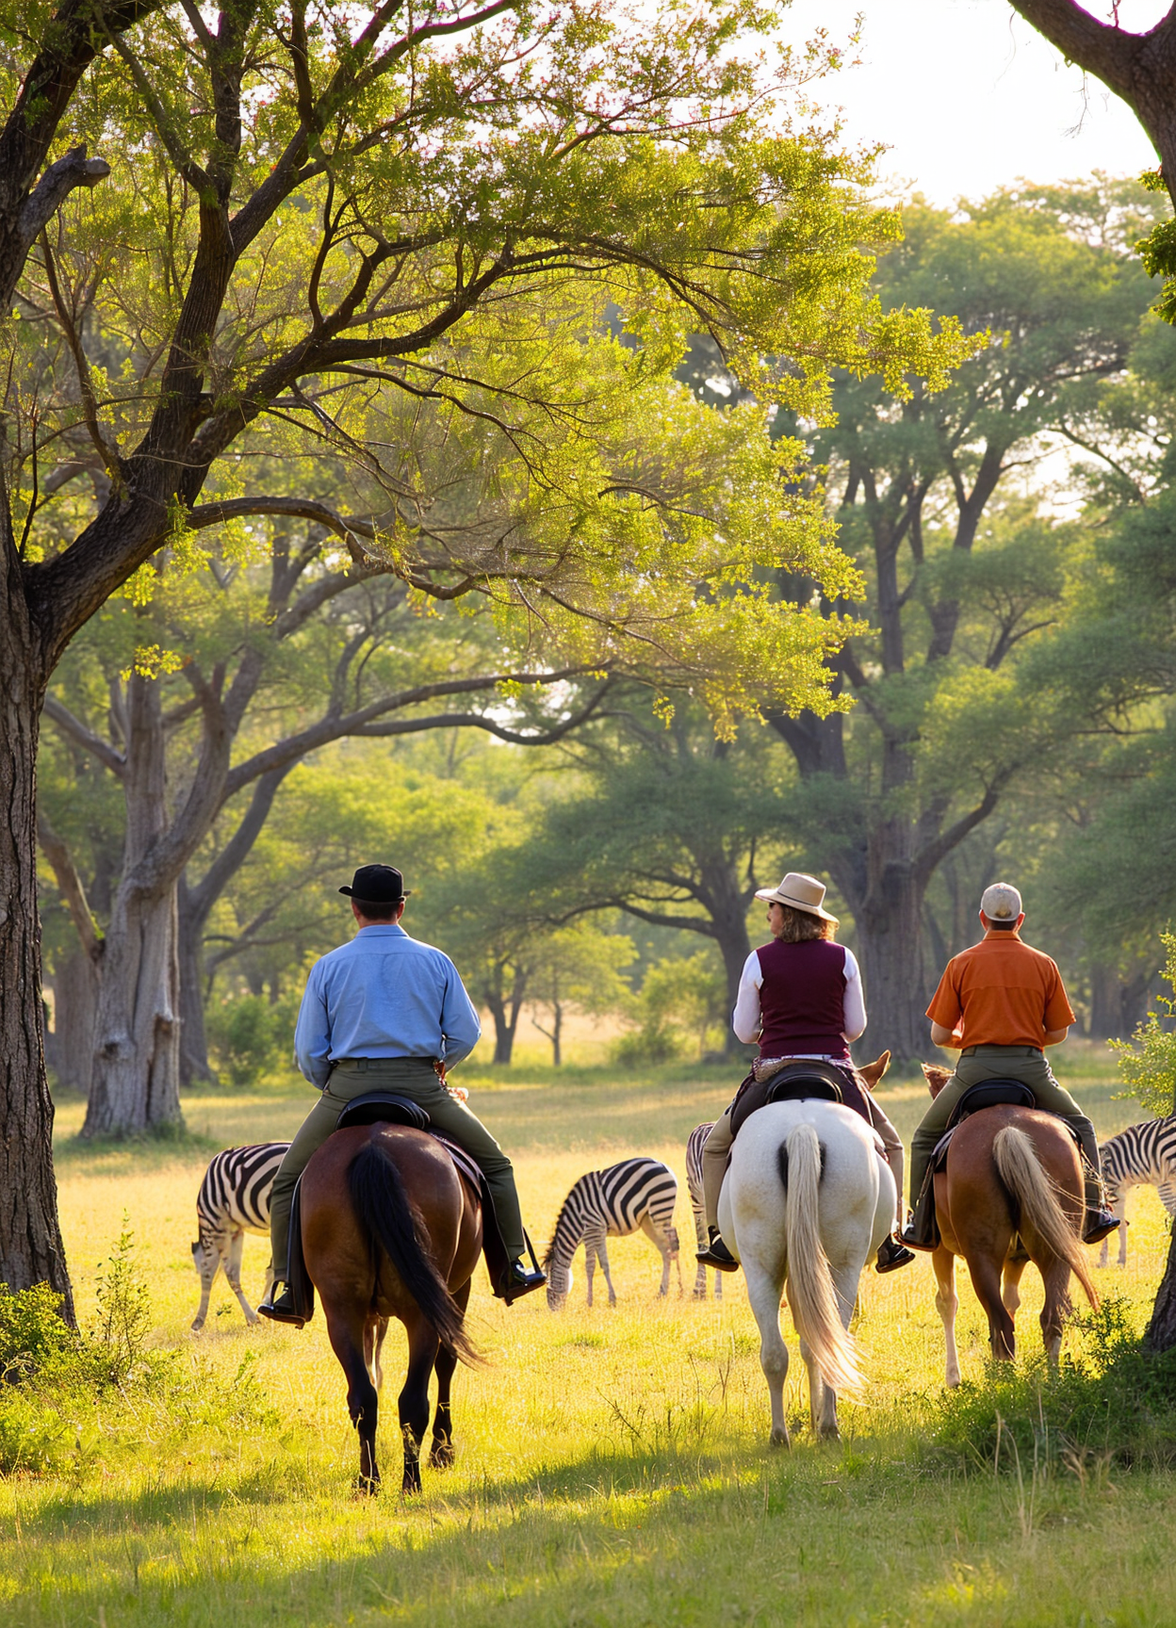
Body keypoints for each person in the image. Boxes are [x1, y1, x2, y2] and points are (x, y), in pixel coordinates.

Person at [259, 864, 546, 1323]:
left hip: (347, 1086)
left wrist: (330, 1086)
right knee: (495, 1165)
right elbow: (466, 1033)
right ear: (401, 907)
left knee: (287, 1183)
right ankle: (512, 1265)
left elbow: (309, 1051)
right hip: (422, 1085)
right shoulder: (435, 960)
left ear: (354, 909)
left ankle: (287, 1287)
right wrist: (440, 1067)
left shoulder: (328, 966)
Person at [696, 871, 914, 1275]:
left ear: (789, 914)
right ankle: (890, 1237)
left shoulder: (758, 959)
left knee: (714, 1147)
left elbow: (744, 1032)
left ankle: (719, 1238)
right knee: (893, 1145)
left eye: (773, 908)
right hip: (835, 1069)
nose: (768, 916)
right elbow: (855, 1027)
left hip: (773, 1071)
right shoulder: (843, 957)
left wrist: (772, 1029)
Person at [901, 881, 1119, 1250]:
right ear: (1020, 920)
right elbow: (1059, 1032)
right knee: (1082, 1125)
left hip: (973, 1071)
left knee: (924, 1138)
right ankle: (1095, 1209)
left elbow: (939, 1035)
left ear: (982, 918)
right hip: (1031, 1069)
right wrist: (1027, 1036)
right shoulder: (1043, 963)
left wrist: (967, 1038)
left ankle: (918, 1223)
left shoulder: (961, 963)